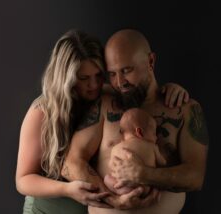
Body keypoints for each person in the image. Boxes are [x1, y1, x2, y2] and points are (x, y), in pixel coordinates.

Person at [15, 29, 191, 214]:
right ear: (65, 78)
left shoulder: (106, 95)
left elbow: (142, 93)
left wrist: (168, 90)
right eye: (83, 78)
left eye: (98, 75)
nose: (93, 85)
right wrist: (67, 190)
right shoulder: (42, 111)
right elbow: (23, 180)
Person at [61, 29, 208, 214]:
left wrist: (143, 174)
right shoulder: (104, 104)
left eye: (126, 70)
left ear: (151, 62)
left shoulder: (184, 109)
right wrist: (115, 200)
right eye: (112, 74)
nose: (119, 82)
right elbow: (71, 163)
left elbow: (195, 177)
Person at [104, 108, 166, 199]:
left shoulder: (116, 148)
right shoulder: (153, 147)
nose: (156, 137)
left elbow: (111, 166)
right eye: (154, 133)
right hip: (143, 188)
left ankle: (118, 191)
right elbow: (162, 163)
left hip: (122, 185)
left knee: (107, 178)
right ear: (139, 132)